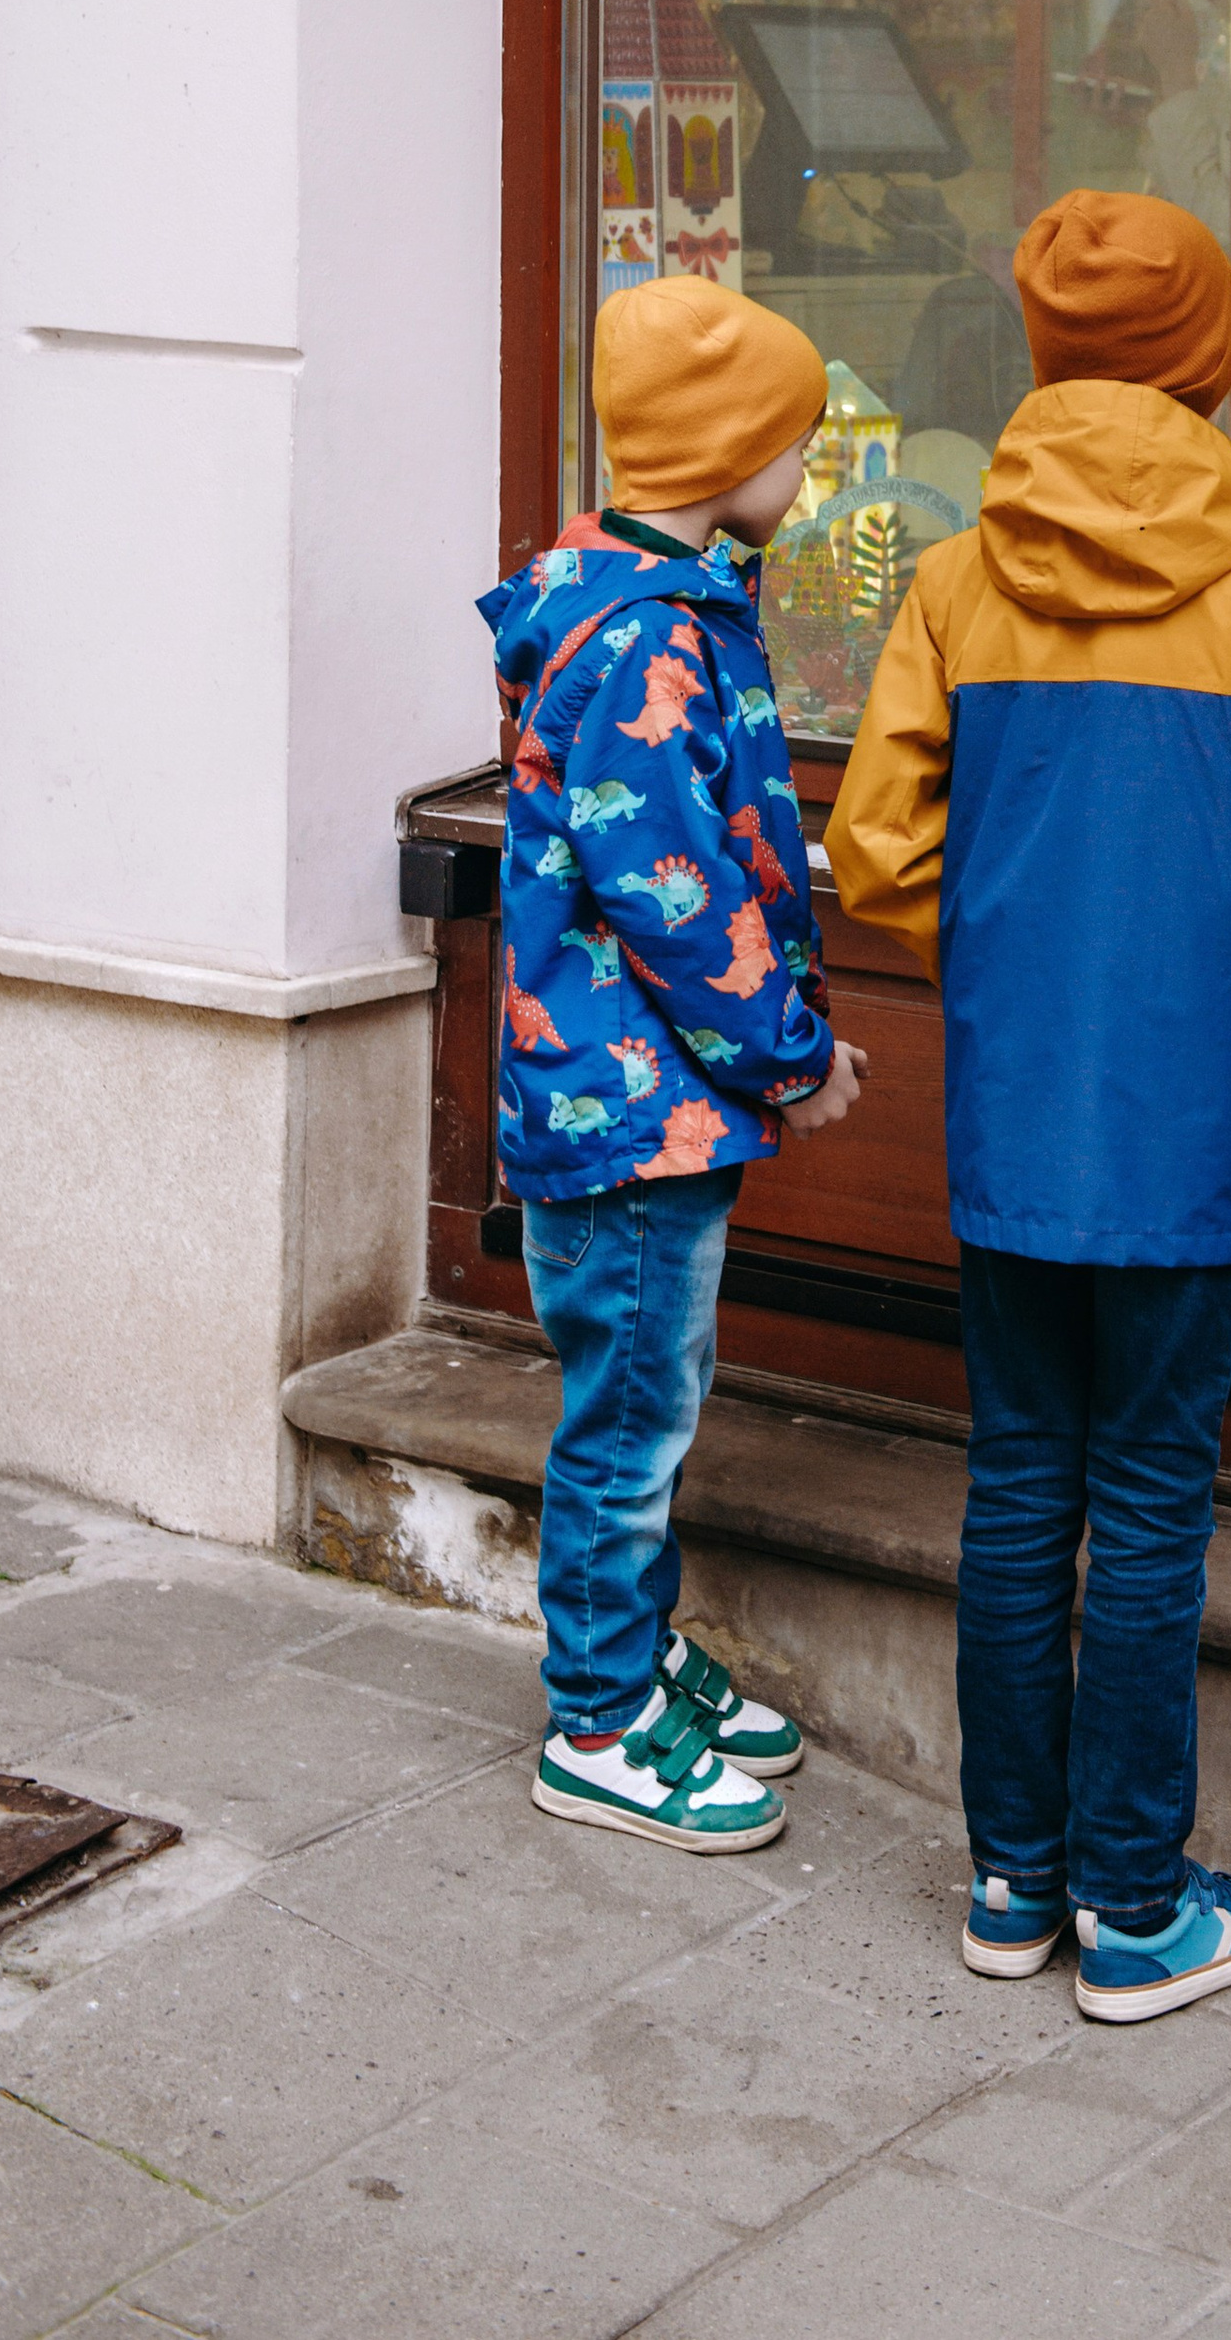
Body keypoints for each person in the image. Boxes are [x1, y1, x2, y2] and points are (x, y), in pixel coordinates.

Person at [829, 190, 1231, 2021]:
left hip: (1011, 1122)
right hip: (1182, 1130)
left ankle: (1016, 1884)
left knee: (1018, 1485)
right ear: (1217, 367)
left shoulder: (951, 582)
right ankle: (1141, 1911)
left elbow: (875, 853)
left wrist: (1012, 936)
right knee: (1149, 1500)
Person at [482, 276, 865, 1854]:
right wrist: (791, 1057)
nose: (809, 473)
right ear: (730, 454)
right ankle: (599, 1717)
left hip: (649, 1096)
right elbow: (673, 892)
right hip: (633, 1106)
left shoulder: (655, 595)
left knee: (656, 1387)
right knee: (630, 1412)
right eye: (798, 444)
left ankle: (637, 1660)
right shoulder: (640, 636)